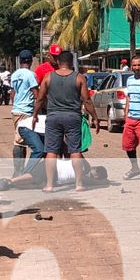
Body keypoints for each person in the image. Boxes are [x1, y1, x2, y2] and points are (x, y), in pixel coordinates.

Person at [35, 50, 98, 193]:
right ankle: (79, 184)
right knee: (75, 150)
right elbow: (86, 100)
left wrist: (34, 115)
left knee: (51, 151)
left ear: (58, 62)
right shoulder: (79, 78)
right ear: (71, 63)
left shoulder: (48, 77)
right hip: (72, 117)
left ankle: (50, 185)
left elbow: (40, 98)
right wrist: (95, 117)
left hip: (53, 118)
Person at [9, 50, 43, 173]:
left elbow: (12, 93)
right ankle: (18, 171)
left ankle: (21, 169)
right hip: (26, 111)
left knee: (22, 141)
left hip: (16, 110)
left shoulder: (15, 74)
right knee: (19, 141)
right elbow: (36, 93)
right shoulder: (30, 75)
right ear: (30, 60)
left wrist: (15, 104)